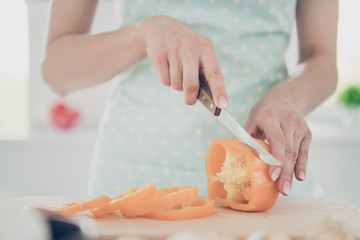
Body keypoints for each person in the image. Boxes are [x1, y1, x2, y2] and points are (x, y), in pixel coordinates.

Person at [42, 0, 338, 197]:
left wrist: (288, 97)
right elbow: (56, 70)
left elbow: (322, 59)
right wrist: (141, 34)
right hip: (132, 178)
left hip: (267, 176)